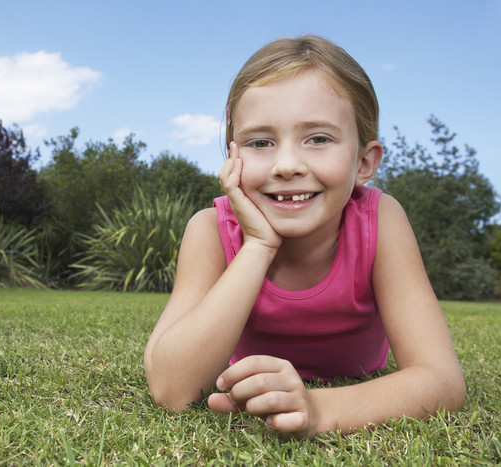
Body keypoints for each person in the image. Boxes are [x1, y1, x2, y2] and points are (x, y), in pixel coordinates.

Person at [144, 35, 465, 439]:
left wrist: (317, 408)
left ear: (364, 162)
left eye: (318, 138)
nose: (287, 165)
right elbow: (172, 389)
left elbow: (442, 381)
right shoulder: (209, 230)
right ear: (232, 157)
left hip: (359, 375)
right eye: (260, 142)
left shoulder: (381, 220)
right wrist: (259, 244)